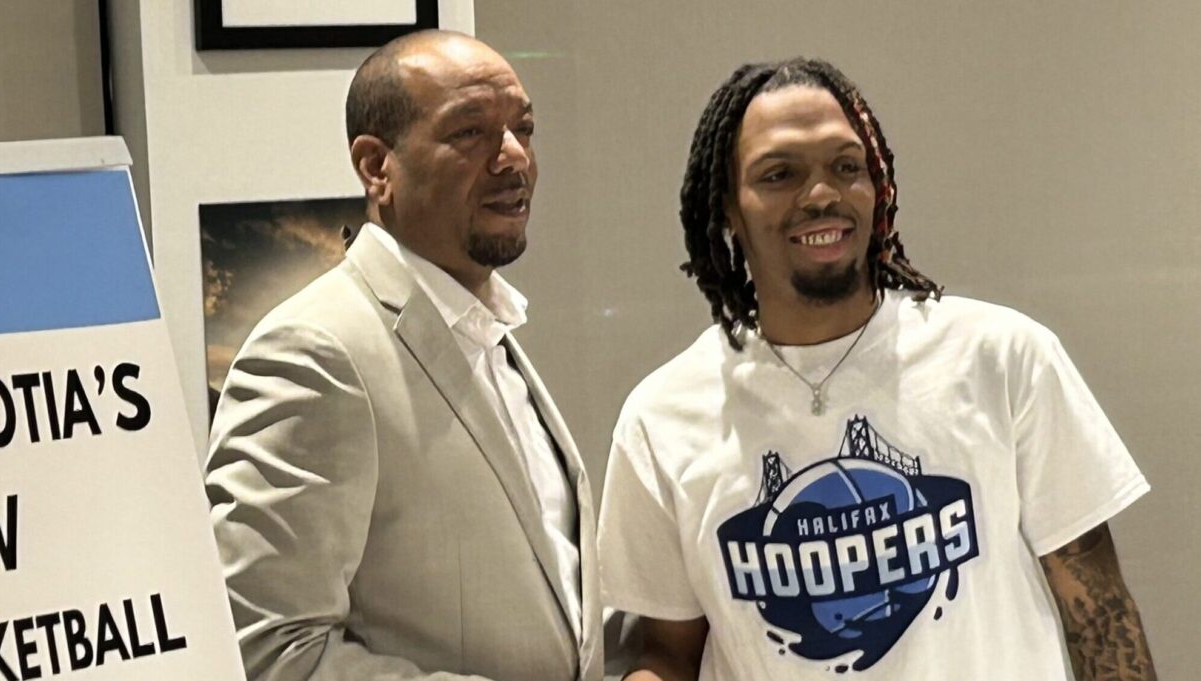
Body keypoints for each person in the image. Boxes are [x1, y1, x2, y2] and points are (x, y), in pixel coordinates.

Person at [597, 58, 1156, 680]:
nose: (821, 196)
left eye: (846, 166)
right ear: (727, 206)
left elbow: (1100, 614)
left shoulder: (1002, 357)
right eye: (779, 174)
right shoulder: (662, 417)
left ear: (879, 184)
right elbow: (668, 655)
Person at [204, 30, 603, 681]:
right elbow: (273, 653)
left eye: (523, 129)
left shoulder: (486, 332)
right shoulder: (314, 351)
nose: (513, 159)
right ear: (375, 166)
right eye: (471, 133)